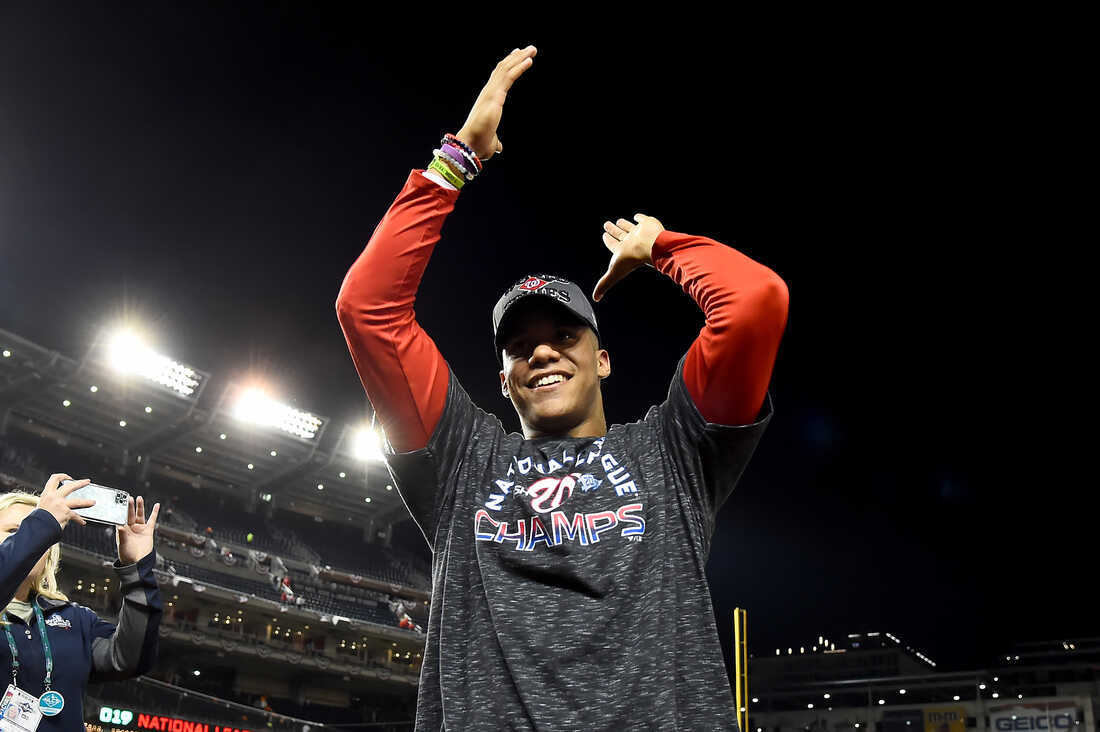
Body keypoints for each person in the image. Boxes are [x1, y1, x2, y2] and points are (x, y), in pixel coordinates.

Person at [336, 46, 789, 730]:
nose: (541, 350)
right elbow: (367, 309)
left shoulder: (671, 453)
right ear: (503, 379)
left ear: (603, 359)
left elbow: (755, 302)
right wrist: (458, 158)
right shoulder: (462, 459)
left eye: (564, 335)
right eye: (518, 345)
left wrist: (661, 248)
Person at [0, 474, 162, 730]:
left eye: (36, 534)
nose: (31, 541)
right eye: (13, 531)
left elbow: (131, 658)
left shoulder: (75, 619)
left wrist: (136, 572)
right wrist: (42, 524)